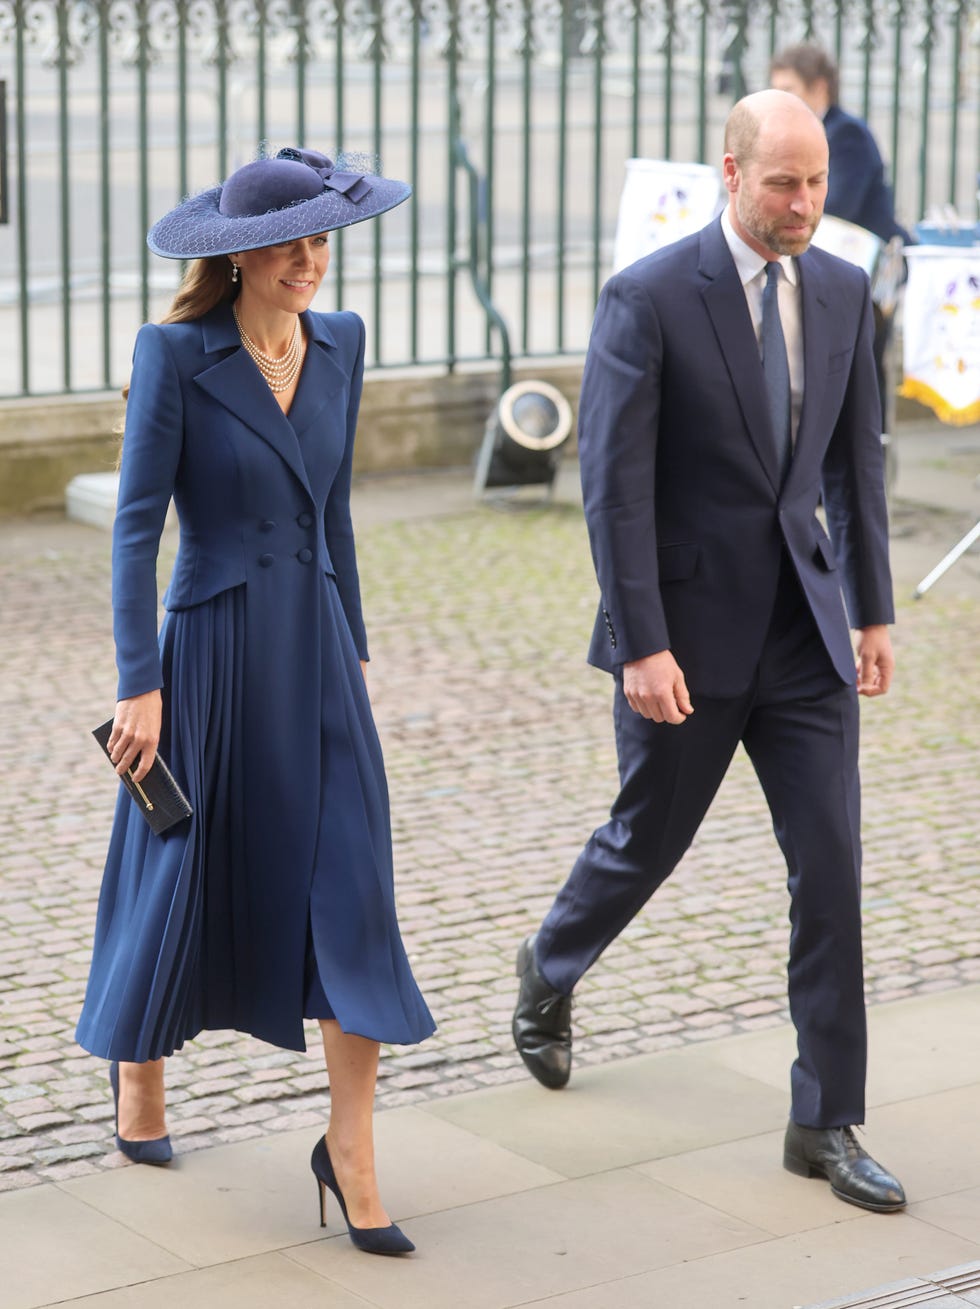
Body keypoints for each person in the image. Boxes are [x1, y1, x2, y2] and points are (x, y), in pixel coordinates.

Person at [512, 90, 906, 1214]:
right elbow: (611, 487)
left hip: (805, 638)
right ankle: (548, 964)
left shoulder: (837, 291)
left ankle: (822, 1117)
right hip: (683, 642)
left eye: (816, 182)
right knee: (645, 840)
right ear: (727, 173)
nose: (803, 204)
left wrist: (870, 611)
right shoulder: (645, 298)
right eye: (782, 182)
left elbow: (854, 468)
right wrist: (641, 642)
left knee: (828, 870)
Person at [76, 146, 435, 1256]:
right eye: (287, 243)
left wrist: (358, 650)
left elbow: (333, 516)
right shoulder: (176, 356)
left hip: (316, 650)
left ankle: (352, 1150)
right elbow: (137, 529)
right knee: (179, 868)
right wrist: (140, 683)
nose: (309, 259)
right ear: (234, 256)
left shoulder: (344, 345)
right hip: (213, 649)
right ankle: (139, 1070)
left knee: (351, 889)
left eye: (320, 239)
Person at [769, 42, 913, 422]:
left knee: (859, 377)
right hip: (833, 273)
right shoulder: (806, 135)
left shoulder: (845, 134)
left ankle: (867, 461)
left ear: (819, 89)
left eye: (789, 91)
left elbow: (832, 207)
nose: (778, 102)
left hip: (865, 273)